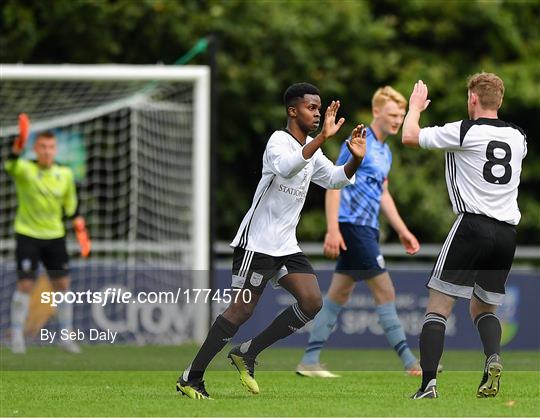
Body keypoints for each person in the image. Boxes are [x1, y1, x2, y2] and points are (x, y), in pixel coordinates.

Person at [176, 82, 367, 400]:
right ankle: (190, 377)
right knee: (239, 312)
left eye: (320, 109)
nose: (317, 114)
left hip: (285, 246)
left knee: (311, 302)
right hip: (257, 243)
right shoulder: (278, 141)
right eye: (311, 107)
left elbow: (334, 179)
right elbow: (287, 168)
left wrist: (356, 160)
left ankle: (247, 353)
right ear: (293, 111)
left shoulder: (313, 147)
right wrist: (320, 139)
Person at [402, 73, 527, 399]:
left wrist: (415, 107)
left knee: (438, 305)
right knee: (483, 309)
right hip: (506, 234)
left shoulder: (463, 130)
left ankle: (428, 384)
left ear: (473, 98)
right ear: (499, 101)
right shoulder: (518, 137)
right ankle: (493, 357)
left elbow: (409, 136)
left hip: (473, 226)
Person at [297, 86, 424, 378]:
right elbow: (334, 182)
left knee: (339, 293)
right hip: (353, 227)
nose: (397, 120)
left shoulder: (386, 151)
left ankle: (310, 360)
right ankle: (411, 363)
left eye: (402, 115)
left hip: (367, 227)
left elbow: (383, 193)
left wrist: (403, 230)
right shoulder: (358, 141)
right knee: (386, 290)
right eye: (393, 114)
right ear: (376, 111)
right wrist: (332, 229)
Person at [5, 116, 91, 354]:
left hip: (55, 236)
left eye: (51, 147)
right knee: (25, 284)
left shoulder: (64, 174)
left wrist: (83, 237)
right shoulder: (25, 169)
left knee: (63, 285)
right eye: (42, 146)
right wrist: (19, 141)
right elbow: (10, 163)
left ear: (55, 149)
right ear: (35, 148)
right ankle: (17, 338)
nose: (46, 151)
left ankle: (66, 337)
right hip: (28, 234)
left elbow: (72, 209)